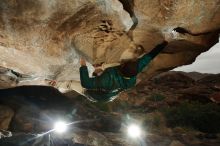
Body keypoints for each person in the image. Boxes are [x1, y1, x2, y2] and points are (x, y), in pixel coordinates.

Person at [79, 41, 168, 102]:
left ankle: (69, 86)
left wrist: (83, 65)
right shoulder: (134, 72)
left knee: (71, 84)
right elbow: (151, 55)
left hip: (96, 96)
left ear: (121, 68)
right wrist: (165, 42)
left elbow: (86, 83)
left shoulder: (106, 80)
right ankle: (100, 69)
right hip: (112, 90)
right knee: (101, 69)